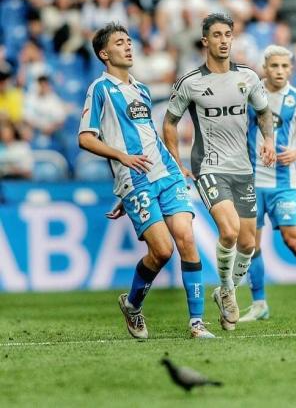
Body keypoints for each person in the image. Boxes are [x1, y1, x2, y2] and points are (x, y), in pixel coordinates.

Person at [78, 22, 214, 340]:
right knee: (162, 251)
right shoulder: (100, 89)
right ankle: (133, 305)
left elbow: (149, 135)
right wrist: (122, 164)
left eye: (129, 41)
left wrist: (175, 164)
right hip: (134, 178)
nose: (128, 46)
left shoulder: (140, 89)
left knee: (186, 239)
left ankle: (197, 323)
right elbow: (85, 138)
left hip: (165, 172)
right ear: (104, 53)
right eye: (120, 43)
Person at [162, 13, 276, 331]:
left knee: (249, 243)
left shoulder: (249, 79)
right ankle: (227, 291)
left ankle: (226, 291)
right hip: (209, 166)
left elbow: (264, 112)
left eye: (228, 34)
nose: (224, 40)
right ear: (205, 41)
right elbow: (169, 123)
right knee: (229, 231)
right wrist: (175, 161)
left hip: (243, 168)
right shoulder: (191, 83)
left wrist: (268, 139)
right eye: (217, 35)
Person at [240, 45, 296, 322]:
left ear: (291, 69)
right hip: (252, 181)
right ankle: (259, 304)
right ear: (264, 68)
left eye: (284, 66)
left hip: (283, 182)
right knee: (250, 245)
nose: (279, 71)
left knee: (292, 239)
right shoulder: (251, 97)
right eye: (274, 66)